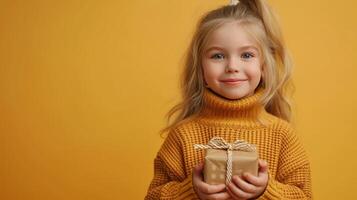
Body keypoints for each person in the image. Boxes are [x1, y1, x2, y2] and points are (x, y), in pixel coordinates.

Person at [145, 0, 312, 199]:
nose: (232, 66)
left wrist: (267, 191)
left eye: (247, 55)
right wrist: (189, 191)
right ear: (201, 70)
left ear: (264, 67)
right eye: (217, 56)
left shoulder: (282, 135)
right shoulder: (183, 135)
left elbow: (305, 196)